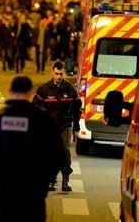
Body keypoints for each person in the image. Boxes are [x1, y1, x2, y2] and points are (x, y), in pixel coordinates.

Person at [0, 76, 65, 222]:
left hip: (2, 189)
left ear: (10, 91)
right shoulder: (42, 118)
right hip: (32, 191)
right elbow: (58, 153)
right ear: (30, 92)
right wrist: (45, 180)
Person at [33, 61, 81, 192]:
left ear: (64, 73)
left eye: (61, 74)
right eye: (56, 74)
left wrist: (76, 127)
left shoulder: (70, 90)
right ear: (52, 73)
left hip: (65, 125)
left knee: (65, 152)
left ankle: (66, 180)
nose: (59, 77)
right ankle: (52, 180)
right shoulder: (44, 89)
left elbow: (77, 110)